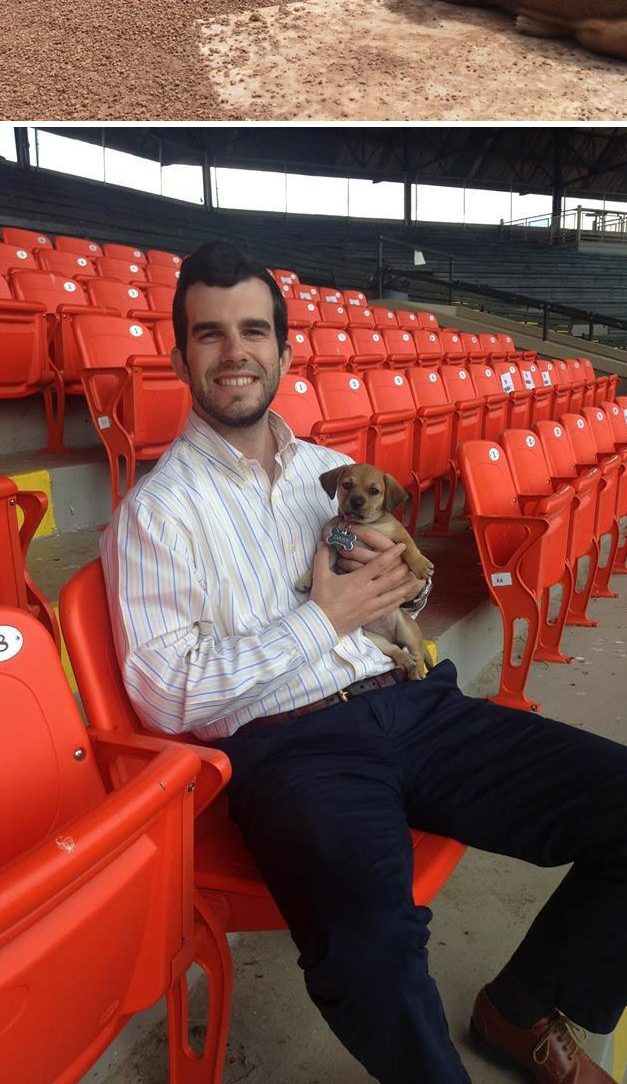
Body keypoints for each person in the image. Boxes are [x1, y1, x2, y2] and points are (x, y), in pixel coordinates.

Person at [101, 240, 627, 1084]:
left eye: (253, 331)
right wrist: (322, 619)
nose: (235, 352)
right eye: (209, 334)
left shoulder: (329, 471)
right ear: (179, 356)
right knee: (373, 954)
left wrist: (389, 597)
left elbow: (400, 599)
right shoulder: (156, 515)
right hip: (293, 750)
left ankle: (522, 1009)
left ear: (282, 348)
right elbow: (167, 697)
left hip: (416, 705)